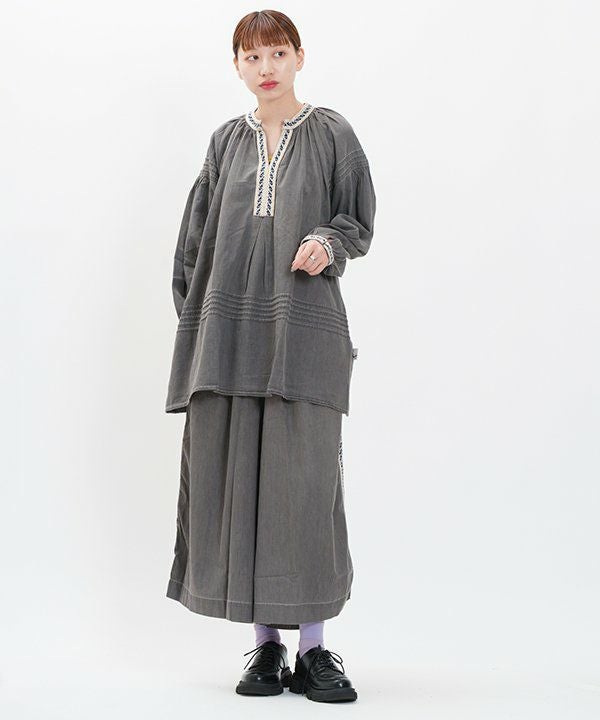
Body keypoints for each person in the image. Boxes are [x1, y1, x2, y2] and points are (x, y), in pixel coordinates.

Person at [164, 9, 376, 704]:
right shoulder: (225, 143)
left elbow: (357, 220)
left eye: (277, 53)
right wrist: (202, 328)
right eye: (252, 56)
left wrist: (327, 243)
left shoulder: (332, 133)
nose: (266, 68)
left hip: (303, 338)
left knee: (303, 489)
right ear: (236, 65)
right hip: (229, 344)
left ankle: (313, 650)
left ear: (299, 57)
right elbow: (193, 245)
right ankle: (266, 648)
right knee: (241, 487)